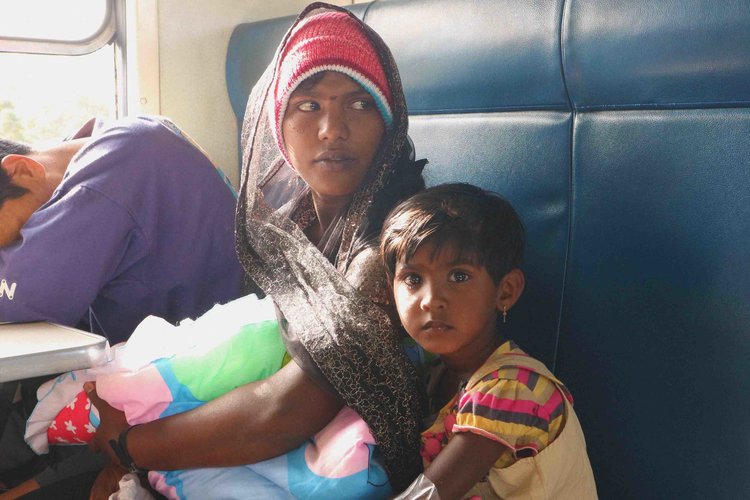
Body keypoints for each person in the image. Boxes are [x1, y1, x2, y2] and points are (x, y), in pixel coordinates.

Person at [81, 3, 427, 498]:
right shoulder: (290, 223)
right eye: (308, 105)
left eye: (360, 103)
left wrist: (131, 447)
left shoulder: (392, 243)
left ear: (389, 122)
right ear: (278, 124)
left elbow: (289, 409)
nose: (332, 128)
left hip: (364, 462)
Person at [0, 116, 245, 496]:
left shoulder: (120, 163)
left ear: (20, 170)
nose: (12, 251)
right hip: (144, 351)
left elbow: (29, 294)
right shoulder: (105, 148)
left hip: (192, 372)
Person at [381, 183, 598, 499]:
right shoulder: (430, 375)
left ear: (505, 291)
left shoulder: (514, 388)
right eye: (413, 279)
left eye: (458, 276)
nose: (430, 300)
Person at [0, 116, 243, 343]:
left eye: (12, 243)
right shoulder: (113, 144)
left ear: (24, 169)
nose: (18, 247)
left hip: (216, 347)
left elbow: (28, 299)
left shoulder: (115, 164)